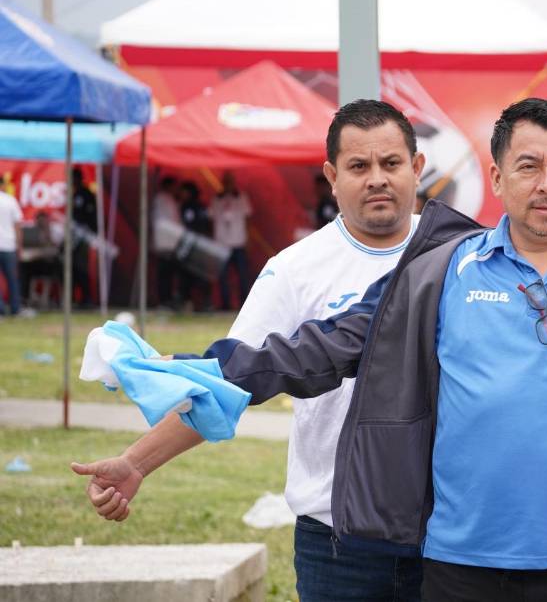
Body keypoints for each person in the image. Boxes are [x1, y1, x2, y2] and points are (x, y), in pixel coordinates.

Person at [75, 98, 547, 601]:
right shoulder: (440, 272)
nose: (546, 183)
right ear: (497, 176)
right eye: (528, 166)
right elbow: (318, 348)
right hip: (464, 565)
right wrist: (198, 371)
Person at [71, 99, 429, 601]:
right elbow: (227, 383)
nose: (377, 179)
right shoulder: (295, 269)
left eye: (391, 163)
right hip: (337, 539)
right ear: (331, 176)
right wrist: (136, 463)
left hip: (443, 532)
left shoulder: (456, 256)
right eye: (358, 166)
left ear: (416, 167)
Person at [210, 171, 253, 310]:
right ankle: (225, 305)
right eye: (226, 181)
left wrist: (248, 238)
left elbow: (248, 218)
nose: (228, 184)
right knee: (223, 276)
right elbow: (211, 219)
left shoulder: (241, 197)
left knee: (243, 274)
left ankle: (245, 305)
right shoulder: (216, 199)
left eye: (230, 181)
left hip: (238, 241)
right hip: (221, 242)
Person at [178, 181, 211, 310]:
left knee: (189, 275)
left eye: (184, 191)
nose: (182, 194)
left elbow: (189, 225)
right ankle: (204, 303)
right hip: (201, 244)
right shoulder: (201, 206)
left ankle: (190, 302)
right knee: (199, 275)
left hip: (193, 245)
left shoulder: (188, 206)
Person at [153, 176, 182, 308]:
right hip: (164, 242)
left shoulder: (171, 199)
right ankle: (164, 300)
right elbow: (162, 221)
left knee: (169, 273)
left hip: (171, 242)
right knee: (164, 273)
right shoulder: (160, 199)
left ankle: (168, 299)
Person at [71, 167, 98, 307]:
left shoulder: (86, 194)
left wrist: (90, 232)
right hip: (75, 235)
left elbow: (90, 216)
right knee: (74, 267)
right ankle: (78, 298)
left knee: (81, 267)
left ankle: (87, 299)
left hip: (85, 236)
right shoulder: (76, 194)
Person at [0, 176, 23, 317]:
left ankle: (1, 310)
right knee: (13, 279)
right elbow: (17, 225)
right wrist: (19, 246)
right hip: (9, 245)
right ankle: (15, 308)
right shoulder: (10, 201)